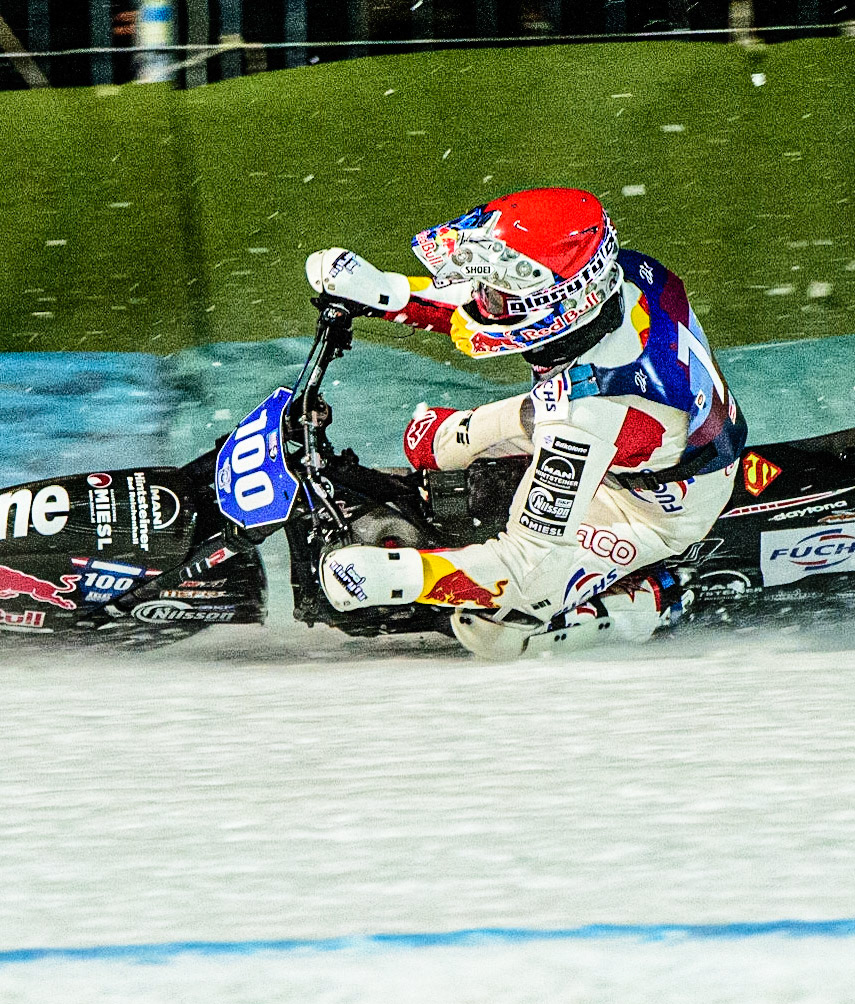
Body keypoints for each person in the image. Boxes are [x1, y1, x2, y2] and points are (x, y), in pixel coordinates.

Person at [306, 187, 746, 658]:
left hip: (645, 510)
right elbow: (498, 308)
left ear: (558, 308)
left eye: (492, 294)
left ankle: (658, 596)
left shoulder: (588, 414)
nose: (479, 299)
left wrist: (400, 577)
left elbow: (523, 567)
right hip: (634, 436)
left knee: (497, 628)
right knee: (431, 445)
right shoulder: (621, 279)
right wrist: (384, 291)